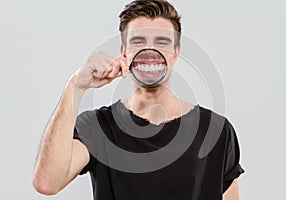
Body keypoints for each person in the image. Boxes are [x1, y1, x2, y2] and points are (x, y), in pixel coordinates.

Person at [32, 0, 244, 199]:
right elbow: (47, 183)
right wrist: (75, 86)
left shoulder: (216, 130)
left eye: (161, 42)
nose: (149, 52)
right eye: (138, 41)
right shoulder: (98, 127)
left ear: (176, 53)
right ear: (124, 52)